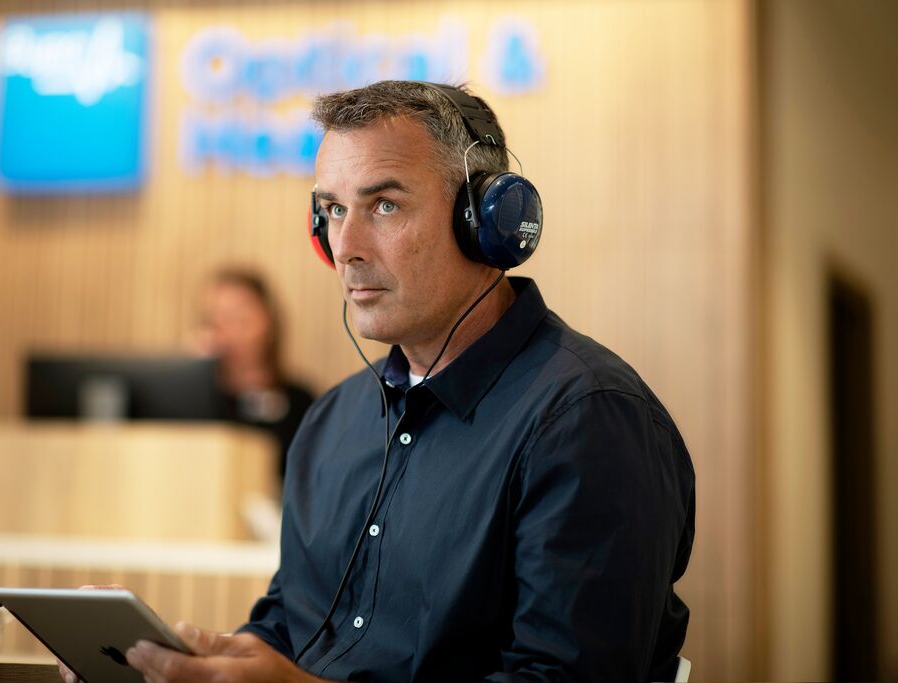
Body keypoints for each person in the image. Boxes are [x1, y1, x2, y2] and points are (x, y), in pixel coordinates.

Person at [113, 81, 696, 682]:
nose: (346, 248)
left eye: (384, 206)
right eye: (334, 210)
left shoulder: (588, 420)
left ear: (485, 221)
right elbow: (290, 627)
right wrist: (196, 662)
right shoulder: (333, 421)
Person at [190, 269, 315, 479]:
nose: (229, 330)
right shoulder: (198, 398)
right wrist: (195, 373)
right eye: (215, 320)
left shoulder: (299, 401)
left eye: (240, 318)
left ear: (269, 321)